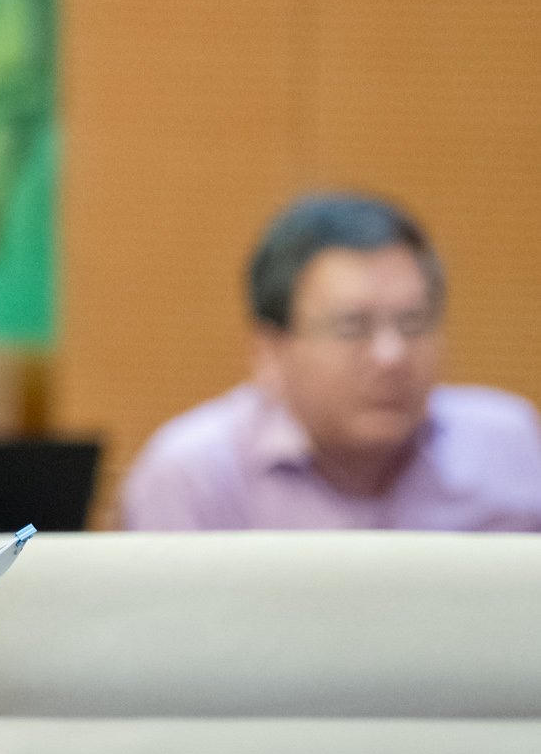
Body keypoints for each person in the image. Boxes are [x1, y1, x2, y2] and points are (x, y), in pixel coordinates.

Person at [123, 193, 541, 531]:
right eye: (352, 327)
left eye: (413, 323)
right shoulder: (196, 477)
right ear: (270, 353)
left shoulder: (508, 446)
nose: (391, 356)